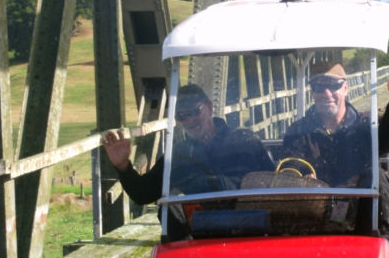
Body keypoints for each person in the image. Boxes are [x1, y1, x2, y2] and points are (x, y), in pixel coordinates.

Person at [102, 84, 273, 236]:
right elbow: (143, 193)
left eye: (194, 112)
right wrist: (123, 166)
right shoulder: (178, 155)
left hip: (248, 233)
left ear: (209, 107)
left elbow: (273, 185)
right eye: (181, 117)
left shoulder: (245, 141)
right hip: (196, 238)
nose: (189, 121)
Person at [281, 60, 389, 245]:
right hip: (313, 216)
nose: (326, 94)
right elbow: (289, 165)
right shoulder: (299, 132)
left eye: (334, 86)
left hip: (361, 218)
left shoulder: (365, 125)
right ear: (312, 92)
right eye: (318, 87)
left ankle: (387, 249)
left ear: (346, 88)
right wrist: (301, 179)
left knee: (376, 176)